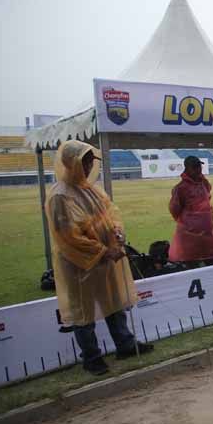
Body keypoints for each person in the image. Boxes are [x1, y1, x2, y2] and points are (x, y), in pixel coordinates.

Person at [46, 141, 153, 376]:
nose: (86, 166)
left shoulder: (92, 190)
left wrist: (117, 232)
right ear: (70, 163)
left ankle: (125, 344)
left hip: (105, 260)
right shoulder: (60, 196)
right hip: (79, 264)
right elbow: (69, 237)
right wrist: (103, 251)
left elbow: (110, 214)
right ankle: (92, 357)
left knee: (113, 302)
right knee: (83, 312)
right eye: (83, 162)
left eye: (89, 162)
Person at [168, 156, 213, 267]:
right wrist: (190, 221)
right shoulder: (180, 188)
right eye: (195, 167)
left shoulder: (203, 183)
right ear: (187, 168)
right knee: (191, 266)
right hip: (189, 236)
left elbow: (208, 194)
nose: (199, 169)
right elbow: (174, 209)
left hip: (208, 233)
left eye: (199, 166)